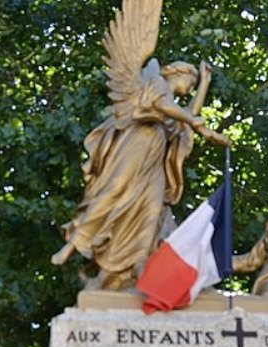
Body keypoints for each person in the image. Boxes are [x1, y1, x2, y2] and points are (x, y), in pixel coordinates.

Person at [50, 0, 229, 290]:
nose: (192, 86)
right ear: (176, 73)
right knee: (115, 189)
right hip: (137, 144)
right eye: (191, 79)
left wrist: (205, 87)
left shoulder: (173, 105)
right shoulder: (154, 84)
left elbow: (183, 121)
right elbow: (166, 109)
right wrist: (202, 128)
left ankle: (139, 266)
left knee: (151, 210)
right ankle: (73, 243)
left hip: (153, 157)